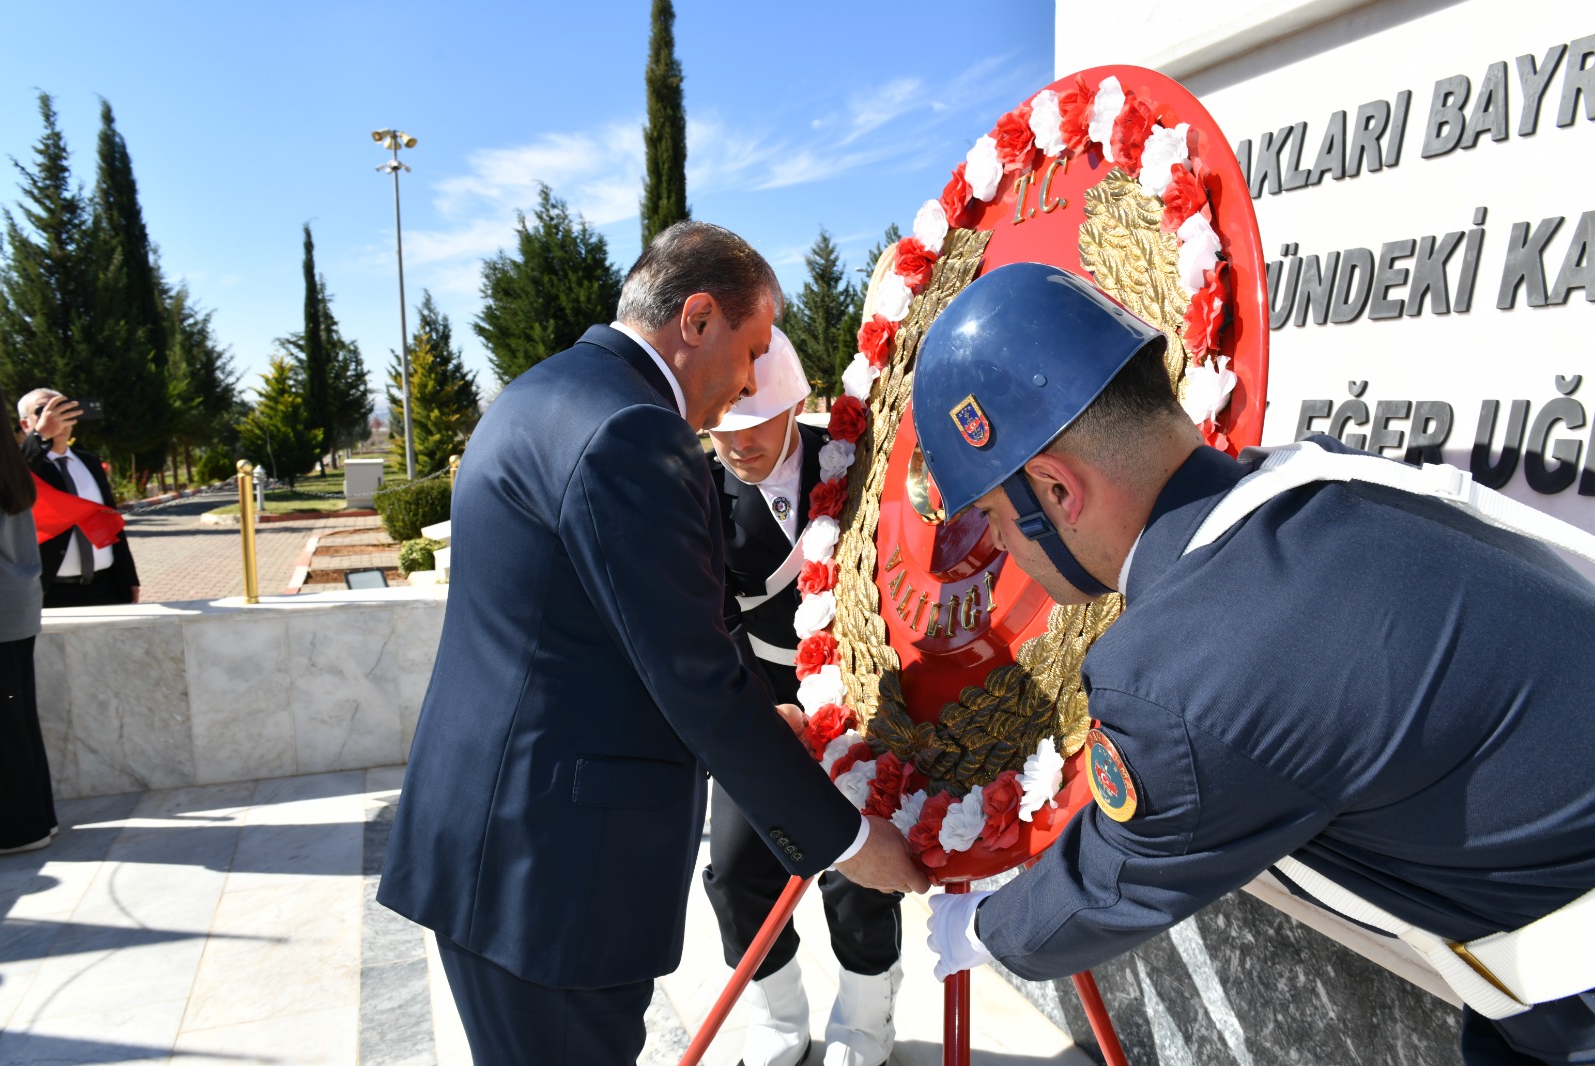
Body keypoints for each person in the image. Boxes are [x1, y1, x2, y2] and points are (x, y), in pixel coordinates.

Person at [914, 263, 1595, 1065]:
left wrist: (984, 930)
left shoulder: (1184, 676)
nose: (996, 547)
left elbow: (1112, 883)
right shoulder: (1313, 481)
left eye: (992, 516)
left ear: (1056, 491)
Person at [378, 221, 928, 1066]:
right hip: (554, 879)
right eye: (749, 351)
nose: (749, 382)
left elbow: (595, 640)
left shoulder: (542, 393)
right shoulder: (632, 433)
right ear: (697, 319)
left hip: (493, 847)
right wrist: (852, 842)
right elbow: (696, 679)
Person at [703, 327, 904, 1066]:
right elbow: (710, 617)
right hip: (760, 697)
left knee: (858, 868)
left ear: (793, 404)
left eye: (754, 419)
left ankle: (866, 1014)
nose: (738, 443)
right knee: (735, 869)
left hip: (861, 688)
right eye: (722, 427)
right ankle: (780, 1014)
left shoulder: (853, 460)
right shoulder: (703, 494)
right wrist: (757, 708)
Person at [0, 375, 58, 855]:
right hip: (15, 606)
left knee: (7, 723)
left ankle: (23, 827)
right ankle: (41, 818)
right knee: (18, 718)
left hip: (0, 610)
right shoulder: (8, 462)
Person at [17, 389, 139, 607]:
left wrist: (129, 577)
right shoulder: (22, 466)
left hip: (105, 586)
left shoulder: (89, 463)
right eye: (43, 411)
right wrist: (41, 436)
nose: (55, 416)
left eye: (62, 408)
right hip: (49, 593)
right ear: (26, 425)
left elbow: (111, 522)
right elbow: (12, 478)